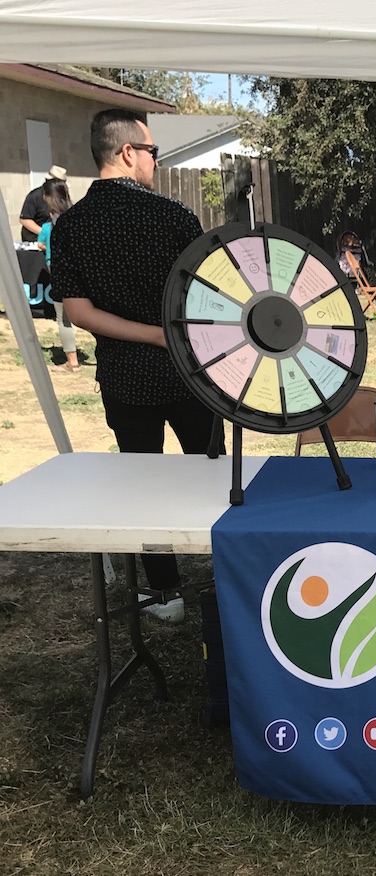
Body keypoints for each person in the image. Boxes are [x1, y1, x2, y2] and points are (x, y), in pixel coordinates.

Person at [54, 109, 221, 624]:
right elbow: (210, 296)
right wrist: (165, 333)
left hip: (124, 377)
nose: (155, 160)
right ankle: (226, 575)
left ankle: (166, 593)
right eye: (152, 151)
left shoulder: (70, 225)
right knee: (213, 476)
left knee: (141, 486)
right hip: (190, 373)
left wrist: (147, 335)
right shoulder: (175, 218)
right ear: (128, 152)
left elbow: (78, 314)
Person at [35, 178, 81, 372]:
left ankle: (72, 362)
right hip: (81, 273)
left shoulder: (53, 223)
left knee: (63, 318)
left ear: (48, 197)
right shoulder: (78, 216)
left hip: (63, 275)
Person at [19, 165, 68, 242]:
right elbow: (25, 219)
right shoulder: (35, 196)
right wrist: (45, 233)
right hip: (35, 240)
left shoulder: (64, 197)